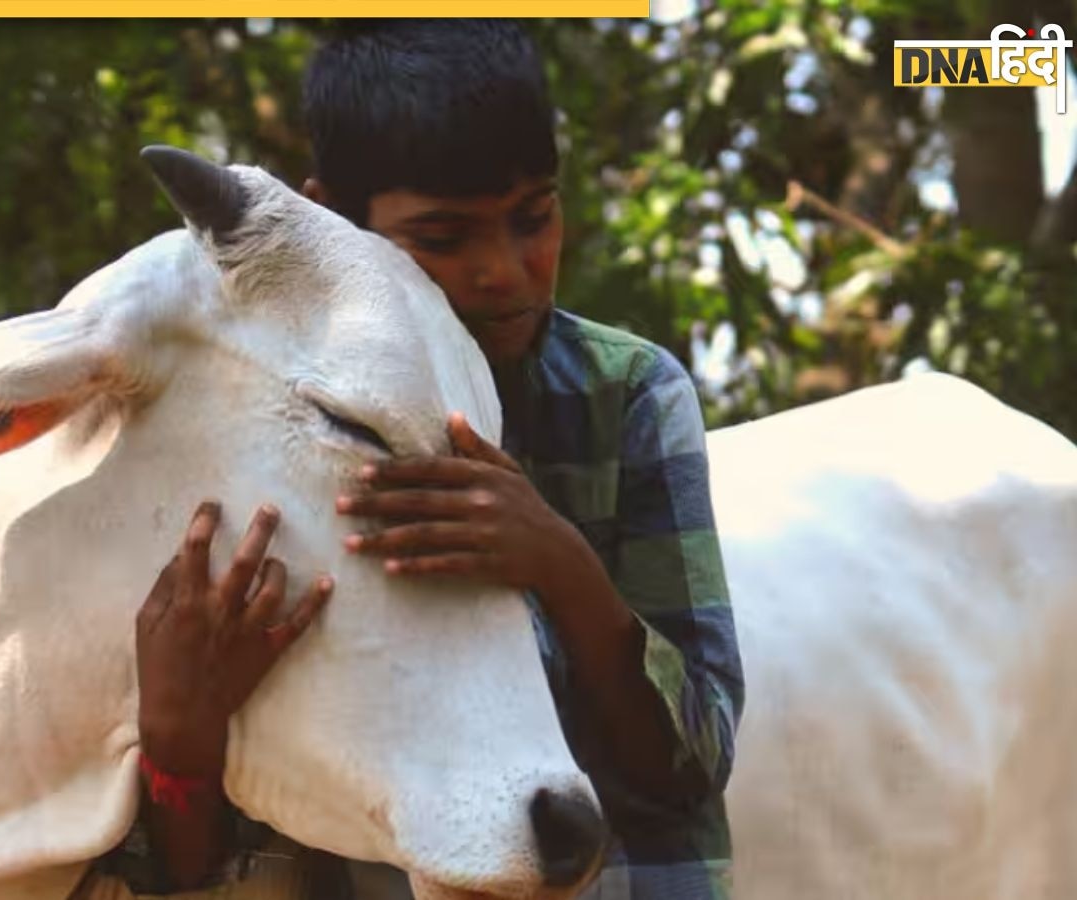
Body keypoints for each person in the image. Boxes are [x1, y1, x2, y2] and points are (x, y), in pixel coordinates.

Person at [99, 19, 744, 900]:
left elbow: (693, 763)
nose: (505, 271)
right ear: (332, 221)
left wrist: (560, 564)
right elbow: (185, 859)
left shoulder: (629, 397)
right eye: (442, 237)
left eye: (534, 218)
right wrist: (180, 744)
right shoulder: (248, 418)